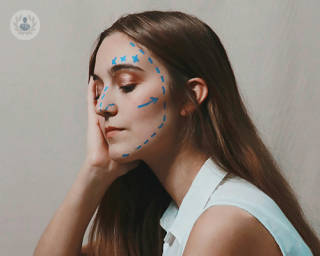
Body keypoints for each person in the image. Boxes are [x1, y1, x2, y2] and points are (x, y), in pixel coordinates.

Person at [33, 11, 320, 256]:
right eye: (98, 91)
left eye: (127, 84)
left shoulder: (222, 222)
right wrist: (95, 172)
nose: (104, 106)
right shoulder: (169, 216)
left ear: (190, 97)